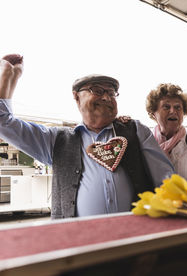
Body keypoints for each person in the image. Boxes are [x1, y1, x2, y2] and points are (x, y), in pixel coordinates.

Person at [0, 55, 174, 219]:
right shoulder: (56, 140)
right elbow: (3, 122)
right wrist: (8, 78)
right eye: (97, 91)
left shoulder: (135, 130)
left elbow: (165, 178)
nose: (106, 97)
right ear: (76, 97)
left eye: (112, 93)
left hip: (135, 236)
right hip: (77, 240)